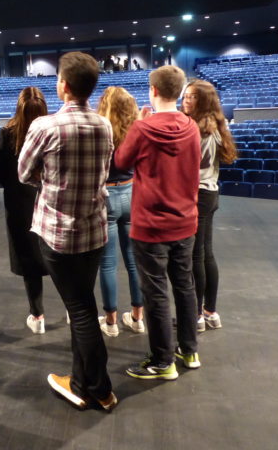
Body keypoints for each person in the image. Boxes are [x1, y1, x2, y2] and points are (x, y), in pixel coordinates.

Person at [18, 51, 117, 412]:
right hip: (93, 232)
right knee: (84, 305)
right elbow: (104, 172)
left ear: (63, 85)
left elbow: (24, 173)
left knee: (81, 310)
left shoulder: (45, 127)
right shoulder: (104, 125)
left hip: (57, 237)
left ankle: (101, 388)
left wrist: (52, 180)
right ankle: (80, 383)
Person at [115, 65, 201, 381]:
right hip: (185, 221)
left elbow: (121, 162)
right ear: (179, 93)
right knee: (185, 286)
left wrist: (139, 123)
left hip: (151, 224)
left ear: (152, 90)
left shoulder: (143, 129)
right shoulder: (191, 126)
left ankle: (163, 362)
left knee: (156, 293)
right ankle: (188, 351)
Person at [181, 79, 237, 332]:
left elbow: (191, 171)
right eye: (186, 95)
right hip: (210, 193)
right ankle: (210, 311)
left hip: (199, 195)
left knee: (197, 257)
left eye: (192, 96)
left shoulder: (199, 129)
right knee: (206, 254)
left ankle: (197, 316)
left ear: (203, 101)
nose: (186, 100)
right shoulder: (213, 125)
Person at [0, 87, 49, 334]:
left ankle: (37, 316)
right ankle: (72, 311)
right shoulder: (52, 130)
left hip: (19, 204)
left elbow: (0, 175)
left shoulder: (7, 134)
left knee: (29, 261)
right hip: (49, 201)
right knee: (58, 258)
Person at [95, 87, 146, 337]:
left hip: (107, 196)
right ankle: (138, 318)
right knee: (134, 260)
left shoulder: (99, 129)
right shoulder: (138, 129)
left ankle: (111, 321)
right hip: (132, 192)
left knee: (107, 263)